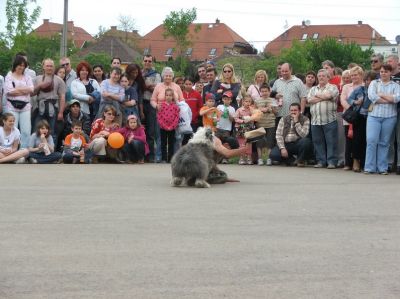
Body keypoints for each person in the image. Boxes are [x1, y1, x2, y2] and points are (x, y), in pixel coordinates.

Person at [364, 64, 400, 174]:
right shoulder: (374, 83)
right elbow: (372, 96)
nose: (383, 73)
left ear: (390, 73)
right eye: (382, 71)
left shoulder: (395, 85)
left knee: (384, 143)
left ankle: (382, 168)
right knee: (371, 140)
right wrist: (389, 99)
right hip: (374, 116)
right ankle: (369, 167)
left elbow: (397, 98)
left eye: (385, 71)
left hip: (389, 117)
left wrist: (381, 94)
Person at [346, 71, 377, 172]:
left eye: (372, 80)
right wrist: (356, 102)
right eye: (367, 80)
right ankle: (356, 161)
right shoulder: (360, 89)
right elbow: (349, 99)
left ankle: (365, 162)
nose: (369, 82)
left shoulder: (378, 89)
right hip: (360, 117)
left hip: (374, 117)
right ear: (365, 80)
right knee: (357, 140)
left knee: (368, 140)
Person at [308, 69, 339, 169]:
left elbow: (330, 95)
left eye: (323, 76)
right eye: (319, 76)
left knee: (331, 142)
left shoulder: (333, 87)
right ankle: (321, 161)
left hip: (329, 120)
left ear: (328, 77)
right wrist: (323, 97)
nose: (321, 77)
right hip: (315, 120)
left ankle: (332, 162)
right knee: (317, 142)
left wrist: (317, 96)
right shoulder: (313, 89)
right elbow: (309, 100)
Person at [32, 58, 66, 147]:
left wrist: (61, 112)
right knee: (36, 130)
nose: (49, 68)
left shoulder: (59, 80)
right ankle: (35, 152)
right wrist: (40, 86)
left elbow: (62, 97)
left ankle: (51, 153)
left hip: (53, 108)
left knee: (52, 131)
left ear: (54, 67)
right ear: (43, 67)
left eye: (51, 66)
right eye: (47, 66)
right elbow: (31, 93)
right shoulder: (37, 79)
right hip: (40, 107)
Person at [4, 55, 34, 150]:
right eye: (19, 65)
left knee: (26, 130)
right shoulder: (9, 76)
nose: (21, 67)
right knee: (12, 129)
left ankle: (23, 151)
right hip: (12, 106)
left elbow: (31, 89)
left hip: (25, 107)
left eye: (23, 65)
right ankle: (10, 150)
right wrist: (24, 90)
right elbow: (9, 91)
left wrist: (17, 89)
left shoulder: (27, 77)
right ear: (15, 65)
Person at [340, 66, 364, 171]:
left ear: (361, 75)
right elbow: (343, 100)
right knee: (348, 141)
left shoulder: (365, 86)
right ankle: (347, 163)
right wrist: (351, 110)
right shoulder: (346, 87)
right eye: (352, 75)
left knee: (359, 140)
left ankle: (358, 161)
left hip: (362, 117)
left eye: (356, 75)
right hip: (349, 117)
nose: (353, 77)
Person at [322, 60, 344, 168]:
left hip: (339, 111)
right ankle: (330, 159)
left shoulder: (339, 80)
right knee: (330, 138)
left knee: (340, 137)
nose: (325, 70)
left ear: (332, 69)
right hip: (326, 113)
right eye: (324, 68)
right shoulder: (323, 82)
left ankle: (341, 159)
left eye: (327, 68)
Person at [142, 55, 162, 162]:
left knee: (151, 131)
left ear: (152, 62)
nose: (147, 63)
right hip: (140, 103)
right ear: (142, 62)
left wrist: (145, 86)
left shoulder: (157, 74)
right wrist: (149, 86)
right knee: (140, 129)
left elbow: (157, 88)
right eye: (145, 61)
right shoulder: (139, 73)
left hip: (151, 104)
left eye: (149, 61)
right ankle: (141, 154)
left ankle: (150, 156)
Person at [254, 84, 278, 166]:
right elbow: (254, 112)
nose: (264, 93)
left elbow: (276, 113)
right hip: (260, 124)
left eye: (266, 91)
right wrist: (261, 110)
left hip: (271, 123)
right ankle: (260, 158)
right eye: (262, 91)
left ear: (269, 91)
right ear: (260, 92)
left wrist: (272, 109)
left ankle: (269, 158)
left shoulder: (273, 100)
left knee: (270, 142)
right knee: (259, 142)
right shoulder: (257, 101)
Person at [234, 94, 260, 165]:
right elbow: (235, 118)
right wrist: (242, 121)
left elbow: (256, 118)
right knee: (242, 143)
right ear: (243, 102)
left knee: (249, 143)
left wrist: (252, 112)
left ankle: (249, 158)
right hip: (241, 129)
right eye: (246, 101)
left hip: (249, 128)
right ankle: (242, 158)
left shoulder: (252, 110)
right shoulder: (239, 110)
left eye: (249, 101)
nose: (248, 103)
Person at [157, 88, 180, 163]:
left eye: (170, 95)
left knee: (171, 143)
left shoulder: (175, 106)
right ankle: (163, 158)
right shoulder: (161, 105)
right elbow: (159, 117)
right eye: (167, 95)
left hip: (172, 128)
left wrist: (172, 126)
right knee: (163, 143)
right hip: (163, 127)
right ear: (165, 96)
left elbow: (177, 117)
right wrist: (165, 126)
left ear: (173, 96)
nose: (168, 97)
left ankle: (170, 158)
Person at [386, 54, 400, 173]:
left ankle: (399, 164)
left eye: (390, 61)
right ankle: (389, 163)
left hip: (398, 110)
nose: (388, 63)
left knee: (399, 139)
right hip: (388, 111)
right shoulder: (385, 77)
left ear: (397, 62)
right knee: (388, 139)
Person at [216, 91, 236, 163]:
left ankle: (225, 158)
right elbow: (216, 116)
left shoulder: (232, 109)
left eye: (228, 99)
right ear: (222, 99)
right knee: (217, 143)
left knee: (225, 144)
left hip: (226, 129)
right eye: (225, 99)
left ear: (231, 100)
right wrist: (219, 114)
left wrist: (229, 115)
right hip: (218, 127)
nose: (226, 100)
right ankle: (217, 158)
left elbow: (233, 120)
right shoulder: (219, 106)